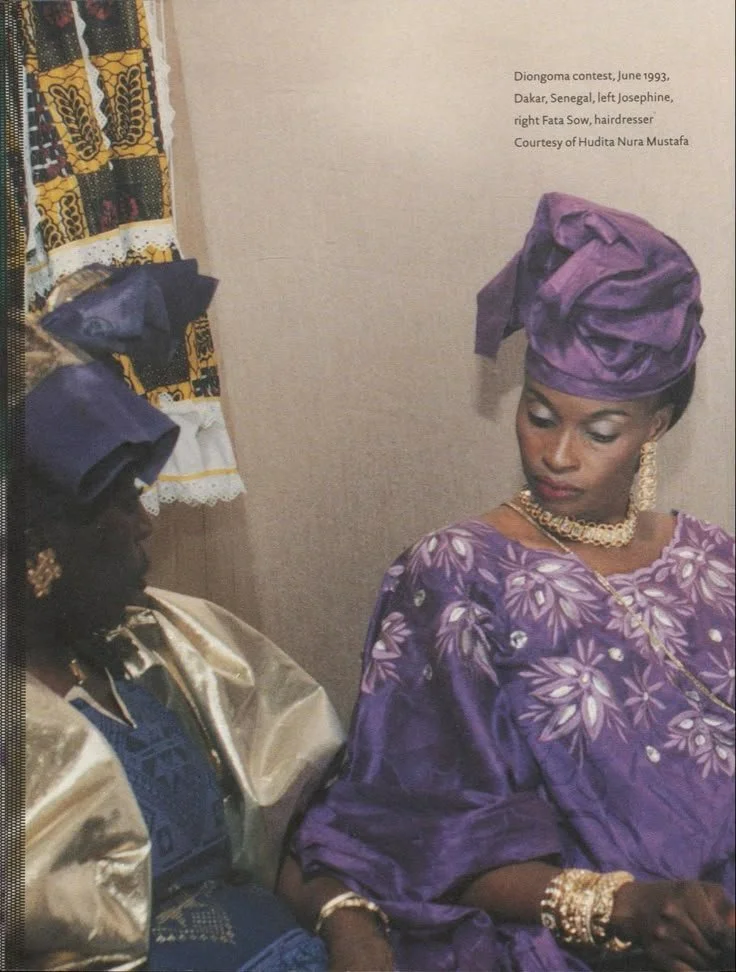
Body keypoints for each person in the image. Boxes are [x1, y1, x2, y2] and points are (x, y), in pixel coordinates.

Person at [279, 194, 735, 972]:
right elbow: (419, 827)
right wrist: (614, 907)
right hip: (568, 944)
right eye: (539, 414)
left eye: (600, 430)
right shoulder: (456, 571)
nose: (558, 455)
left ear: (655, 424)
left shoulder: (716, 561)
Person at [17, 262, 345, 971]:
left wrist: (350, 921)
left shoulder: (160, 643)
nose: (144, 522)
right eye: (119, 501)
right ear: (42, 550)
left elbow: (299, 828)